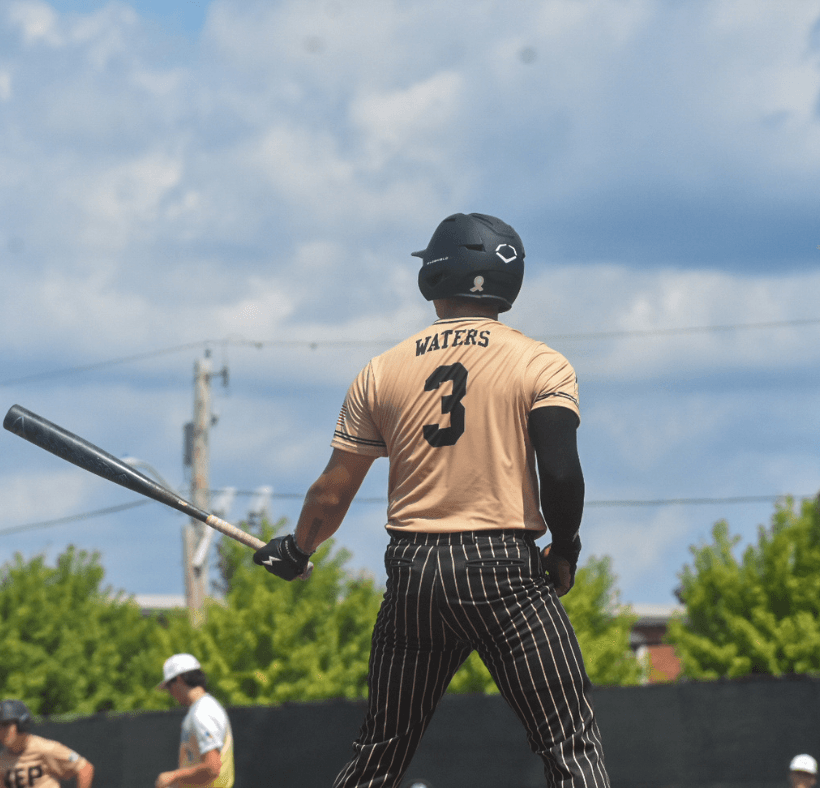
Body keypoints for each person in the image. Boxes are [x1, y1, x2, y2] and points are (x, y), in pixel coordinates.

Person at [254, 212, 610, 788]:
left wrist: (297, 549)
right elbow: (562, 473)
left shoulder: (382, 370)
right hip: (503, 569)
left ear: (437, 275)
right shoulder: (541, 363)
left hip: (414, 572)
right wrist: (564, 548)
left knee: (379, 754)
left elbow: (332, 492)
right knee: (569, 743)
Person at [155, 653, 234, 788]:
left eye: (169, 686)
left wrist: (173, 776)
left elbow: (212, 768)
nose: (170, 693)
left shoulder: (203, 711)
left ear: (179, 679)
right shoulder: (200, 709)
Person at [0, 699, 94, 788]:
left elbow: (85, 768)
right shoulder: (0, 760)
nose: (0, 731)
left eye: (5, 724)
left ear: (22, 724)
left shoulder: (46, 748)